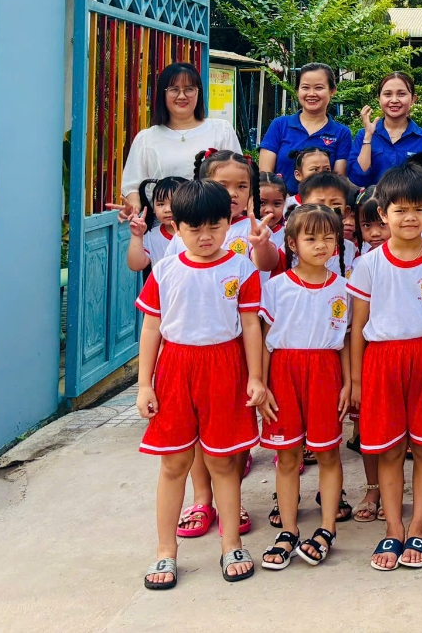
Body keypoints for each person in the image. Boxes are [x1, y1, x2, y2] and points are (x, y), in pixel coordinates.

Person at [135, 179, 266, 590]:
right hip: (175, 369)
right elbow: (151, 328)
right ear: (176, 228)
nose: (206, 236)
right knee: (174, 462)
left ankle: (231, 545)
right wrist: (144, 384)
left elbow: (250, 325)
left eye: (215, 226)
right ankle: (165, 551)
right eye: (195, 228)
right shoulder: (165, 270)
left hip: (225, 367)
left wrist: (256, 377)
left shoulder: (242, 268)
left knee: (224, 461)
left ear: (230, 222)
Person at [346, 165, 422, 571]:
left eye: (418, 209)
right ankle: (393, 527)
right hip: (381, 361)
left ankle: (419, 527)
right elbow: (357, 326)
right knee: (390, 450)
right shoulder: (369, 264)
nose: (409, 217)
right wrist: (356, 380)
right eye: (400, 210)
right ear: (383, 213)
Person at [257, 203, 351, 570]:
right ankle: (289, 530)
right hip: (285, 372)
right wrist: (262, 385)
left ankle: (327, 528)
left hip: (326, 371)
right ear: (293, 243)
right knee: (287, 457)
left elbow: (344, 341)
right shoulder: (276, 287)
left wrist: (348, 383)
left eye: (328, 237)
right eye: (311, 238)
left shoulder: (344, 288)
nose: (321, 245)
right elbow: (266, 341)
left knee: (328, 453)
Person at [120, 62, 242, 209]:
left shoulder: (221, 130)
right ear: (163, 94)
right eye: (174, 89)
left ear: (198, 92)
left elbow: (240, 176)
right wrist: (134, 209)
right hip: (163, 221)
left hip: (213, 220)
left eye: (189, 89)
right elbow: (133, 186)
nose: (182, 96)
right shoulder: (146, 139)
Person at [258, 63, 352, 194]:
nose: (311, 94)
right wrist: (283, 202)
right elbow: (265, 174)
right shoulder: (279, 125)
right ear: (297, 91)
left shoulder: (342, 133)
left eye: (319, 88)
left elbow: (338, 180)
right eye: (305, 87)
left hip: (322, 203)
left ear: (332, 91)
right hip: (281, 203)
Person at [352, 72, 422, 186]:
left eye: (401, 94)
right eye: (387, 94)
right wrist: (368, 137)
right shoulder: (363, 135)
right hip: (373, 197)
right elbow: (357, 179)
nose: (394, 100)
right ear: (379, 99)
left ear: (413, 99)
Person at [125, 176, 187, 275]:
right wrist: (137, 236)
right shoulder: (152, 236)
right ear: (153, 207)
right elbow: (136, 265)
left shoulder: (197, 234)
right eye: (161, 204)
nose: (167, 210)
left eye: (174, 203)